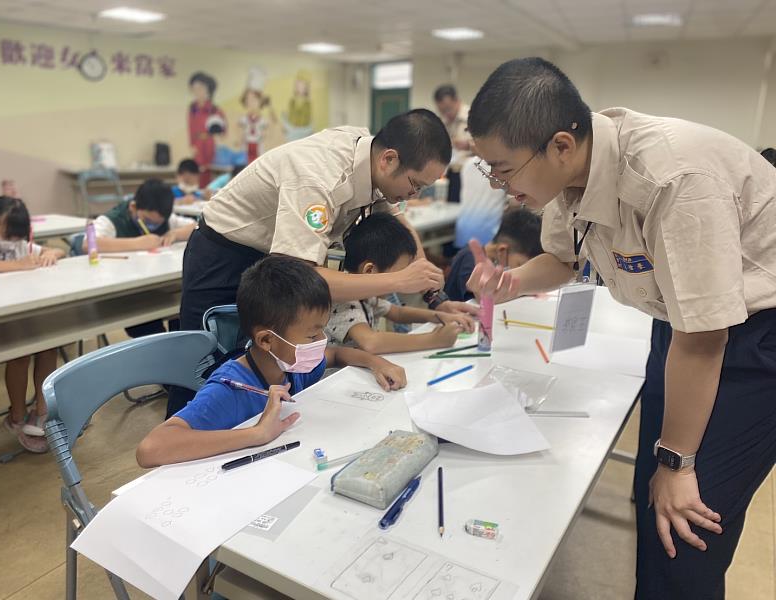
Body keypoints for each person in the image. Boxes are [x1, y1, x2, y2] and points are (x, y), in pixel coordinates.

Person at [465, 56, 776, 599]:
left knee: (685, 523)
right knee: (651, 492)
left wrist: (679, 463)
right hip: (678, 327)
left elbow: (705, 340)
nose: (498, 185)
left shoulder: (674, 178)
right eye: (486, 168)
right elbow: (564, 259)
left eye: (503, 168)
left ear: (561, 144)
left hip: (749, 342)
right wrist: (511, 280)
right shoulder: (570, 178)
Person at [169, 109, 478, 417]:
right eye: (415, 184)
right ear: (389, 159)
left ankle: (256, 429)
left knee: (268, 363)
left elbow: (397, 221)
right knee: (202, 368)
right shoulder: (318, 178)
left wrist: (435, 297)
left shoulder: (369, 156)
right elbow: (299, 279)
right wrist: (400, 281)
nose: (415, 194)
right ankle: (178, 442)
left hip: (272, 256)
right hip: (224, 252)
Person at [136, 256, 407, 467]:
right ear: (266, 340)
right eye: (312, 334)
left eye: (322, 330)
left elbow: (336, 354)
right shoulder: (231, 387)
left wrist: (375, 363)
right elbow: (150, 449)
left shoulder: (292, 365)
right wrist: (257, 434)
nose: (321, 340)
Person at [0, 197, 65, 453]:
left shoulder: (18, 244)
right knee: (19, 354)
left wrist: (50, 252)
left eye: (18, 238)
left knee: (48, 346)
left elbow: (55, 251)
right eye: (8, 236)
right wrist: (16, 266)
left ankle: (41, 411)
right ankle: (16, 415)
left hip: (19, 314)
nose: (13, 244)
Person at [325, 213, 474, 353]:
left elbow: (397, 312)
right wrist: (433, 340)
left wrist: (440, 316)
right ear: (369, 270)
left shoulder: (365, 293)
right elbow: (371, 342)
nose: (405, 279)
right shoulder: (344, 300)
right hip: (338, 377)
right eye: (401, 273)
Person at [445, 208, 542, 302]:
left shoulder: (491, 257)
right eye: (520, 265)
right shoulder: (471, 260)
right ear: (502, 251)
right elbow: (483, 299)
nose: (525, 272)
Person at [88, 178, 196, 253]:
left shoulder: (166, 219)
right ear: (133, 207)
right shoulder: (114, 220)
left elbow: (197, 226)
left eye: (157, 223)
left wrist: (174, 234)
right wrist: (137, 243)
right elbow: (89, 244)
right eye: (147, 220)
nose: (152, 226)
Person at [433, 85, 472, 204]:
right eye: (442, 111)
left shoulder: (472, 116)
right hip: (450, 173)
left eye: (448, 108)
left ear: (457, 101)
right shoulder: (444, 120)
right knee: (450, 207)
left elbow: (488, 145)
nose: (446, 113)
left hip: (470, 173)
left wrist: (469, 145)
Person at [187, 71, 225, 188]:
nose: (197, 92)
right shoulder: (192, 109)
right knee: (197, 175)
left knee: (210, 177)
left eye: (200, 88)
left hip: (210, 146)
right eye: (194, 89)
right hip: (197, 147)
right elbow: (191, 129)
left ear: (207, 89)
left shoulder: (214, 110)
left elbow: (221, 131)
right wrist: (192, 145)